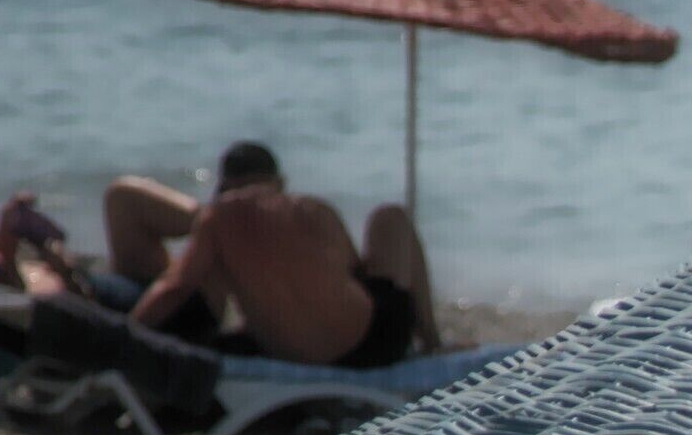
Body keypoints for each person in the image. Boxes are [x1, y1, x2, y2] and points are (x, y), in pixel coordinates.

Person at [102, 141, 439, 368]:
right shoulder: (310, 208)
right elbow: (353, 273)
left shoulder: (216, 220)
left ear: (222, 188)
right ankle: (433, 342)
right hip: (374, 347)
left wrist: (124, 337)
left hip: (290, 354)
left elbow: (174, 288)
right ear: (279, 181)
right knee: (389, 217)